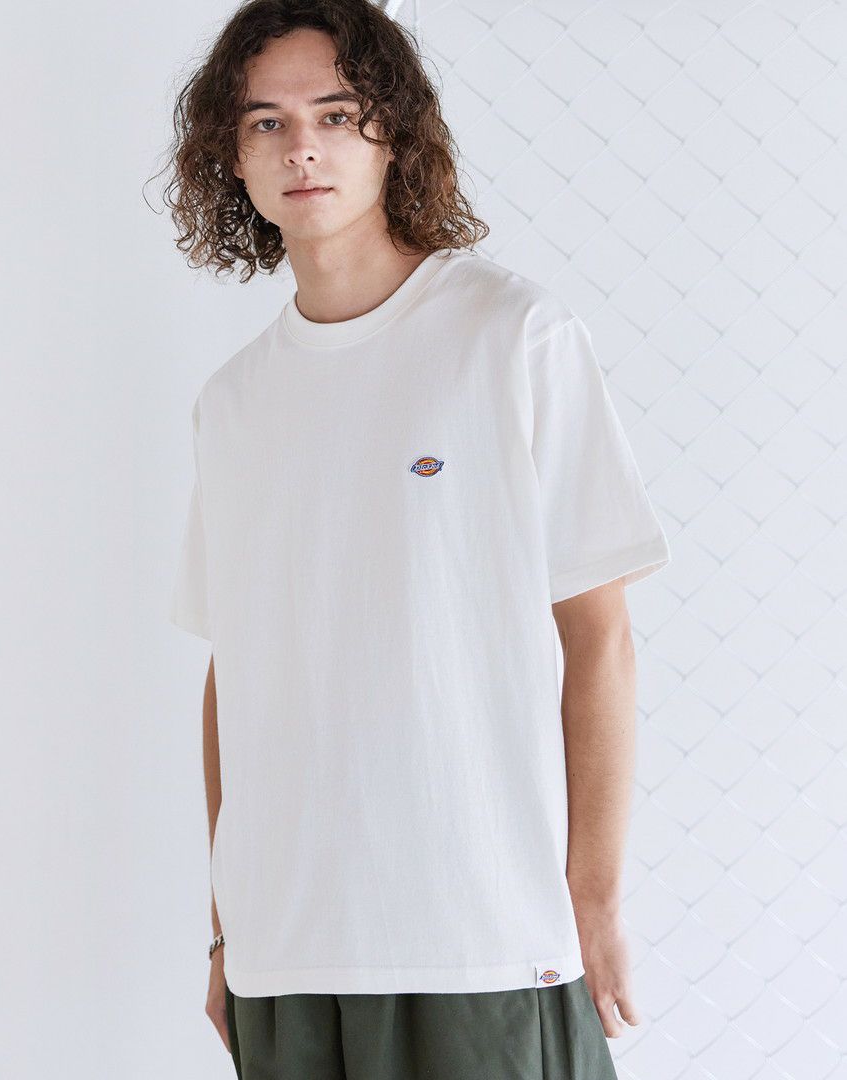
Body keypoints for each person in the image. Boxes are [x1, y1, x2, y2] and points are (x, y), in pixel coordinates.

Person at [164, 1, 671, 1076]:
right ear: (232, 158)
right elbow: (231, 676)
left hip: (485, 945)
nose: (301, 146)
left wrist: (594, 899)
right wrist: (225, 930)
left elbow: (599, 637)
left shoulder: (512, 336)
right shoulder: (234, 402)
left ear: (393, 133)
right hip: (287, 956)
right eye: (264, 123)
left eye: (335, 114)